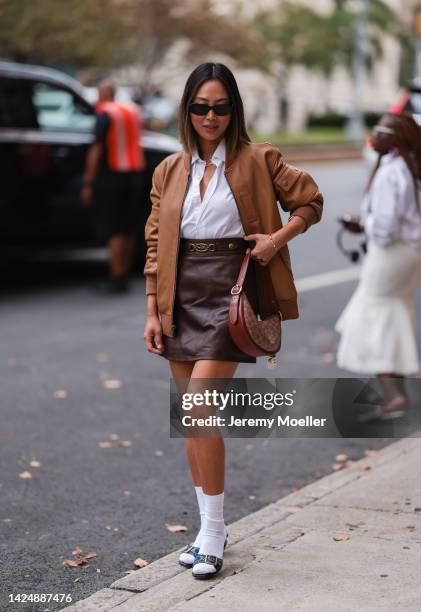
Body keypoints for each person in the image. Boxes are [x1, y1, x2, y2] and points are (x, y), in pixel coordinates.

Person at [143, 63, 323, 579]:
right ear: (187, 110)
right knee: (190, 419)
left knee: (200, 408)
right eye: (201, 106)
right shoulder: (169, 170)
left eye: (221, 106)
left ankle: (215, 532)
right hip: (181, 295)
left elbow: (310, 202)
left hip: (233, 293)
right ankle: (206, 529)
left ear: (234, 109)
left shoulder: (260, 159)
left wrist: (275, 241)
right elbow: (156, 245)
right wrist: (153, 310)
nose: (211, 116)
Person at [336, 112, 421, 419]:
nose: (374, 136)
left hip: (391, 254)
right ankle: (398, 392)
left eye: (381, 131)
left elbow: (385, 230)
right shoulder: (412, 167)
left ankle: (393, 396)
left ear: (396, 138)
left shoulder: (391, 172)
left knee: (375, 316)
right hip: (411, 253)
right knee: (396, 313)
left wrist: (362, 225)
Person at [81, 81, 145, 293]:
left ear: (102, 94)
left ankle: (116, 278)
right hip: (135, 174)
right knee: (129, 227)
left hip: (113, 176)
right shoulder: (133, 110)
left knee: (116, 228)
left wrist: (88, 182)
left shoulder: (104, 113)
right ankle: (125, 273)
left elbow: (96, 149)